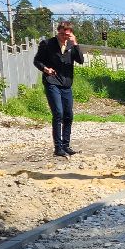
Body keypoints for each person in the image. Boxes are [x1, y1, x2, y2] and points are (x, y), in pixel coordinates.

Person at [33, 20, 86, 157]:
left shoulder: (71, 45)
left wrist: (75, 43)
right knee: (58, 113)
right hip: (52, 81)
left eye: (67, 35)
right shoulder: (47, 44)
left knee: (68, 115)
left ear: (71, 34)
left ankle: (65, 145)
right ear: (58, 32)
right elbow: (37, 61)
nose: (64, 37)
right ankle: (58, 148)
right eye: (62, 34)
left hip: (66, 83)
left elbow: (80, 60)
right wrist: (45, 69)